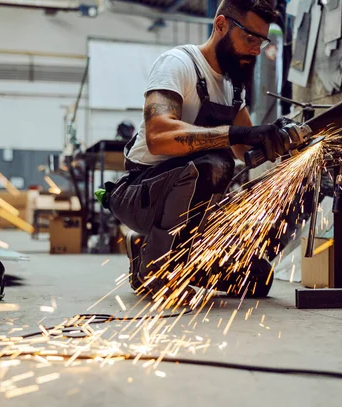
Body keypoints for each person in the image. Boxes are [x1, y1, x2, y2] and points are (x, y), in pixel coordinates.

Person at [107, 0, 294, 302]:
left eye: (261, 41)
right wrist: (237, 133)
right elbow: (158, 135)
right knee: (215, 163)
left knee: (256, 280)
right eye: (249, 38)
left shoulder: (232, 87)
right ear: (221, 25)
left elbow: (245, 147)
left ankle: (152, 252)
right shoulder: (179, 64)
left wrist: (280, 140)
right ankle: (155, 270)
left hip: (195, 206)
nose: (256, 50)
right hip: (142, 193)